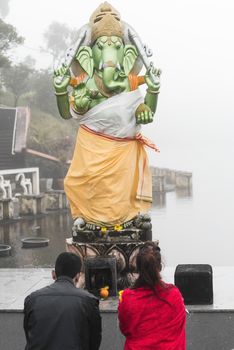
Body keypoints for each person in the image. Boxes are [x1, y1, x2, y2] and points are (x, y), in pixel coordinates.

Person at [23, 252, 102, 350]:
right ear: (78, 276)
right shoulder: (88, 301)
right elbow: (94, 341)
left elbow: (29, 334)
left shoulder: (32, 299)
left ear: (53, 274)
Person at [118, 242, 186, 349]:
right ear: (159, 266)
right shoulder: (174, 294)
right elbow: (180, 324)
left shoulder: (128, 298)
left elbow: (125, 329)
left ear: (138, 268)